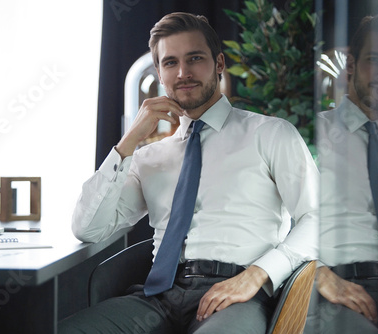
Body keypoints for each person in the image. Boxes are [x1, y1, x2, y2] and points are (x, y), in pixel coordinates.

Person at [62, 12, 318, 333]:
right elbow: (88, 228)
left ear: (219, 63)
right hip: (156, 298)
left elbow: (317, 219)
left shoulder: (271, 135)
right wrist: (128, 142)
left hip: (236, 296)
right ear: (159, 72)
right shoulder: (147, 157)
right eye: (170, 63)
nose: (183, 73)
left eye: (194, 58)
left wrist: (257, 274)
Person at [308, 14, 378, 334]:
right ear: (352, 65)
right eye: (376, 61)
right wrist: (320, 276)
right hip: (340, 288)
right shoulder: (314, 134)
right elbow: (277, 224)